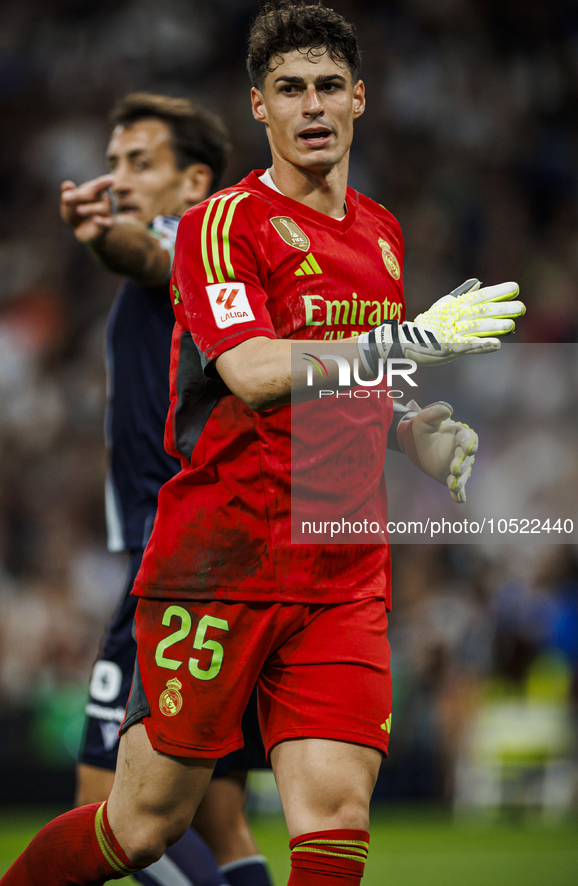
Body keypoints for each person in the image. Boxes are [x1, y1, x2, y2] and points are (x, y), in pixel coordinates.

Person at [2, 5, 525, 886]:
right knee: (144, 826)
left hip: (340, 570)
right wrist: (411, 340)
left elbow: (346, 383)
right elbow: (248, 370)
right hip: (220, 563)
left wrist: (409, 437)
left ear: (359, 99)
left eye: (328, 87)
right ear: (259, 106)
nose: (311, 106)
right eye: (290, 89)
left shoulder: (382, 234)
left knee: (334, 813)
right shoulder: (223, 224)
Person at [58, 93, 272, 886]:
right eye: (112, 161)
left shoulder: (187, 246)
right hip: (231, 557)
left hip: (174, 556)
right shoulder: (223, 265)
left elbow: (137, 253)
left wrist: (101, 236)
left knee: (109, 802)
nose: (117, 177)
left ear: (194, 184)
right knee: (218, 820)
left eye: (138, 164)